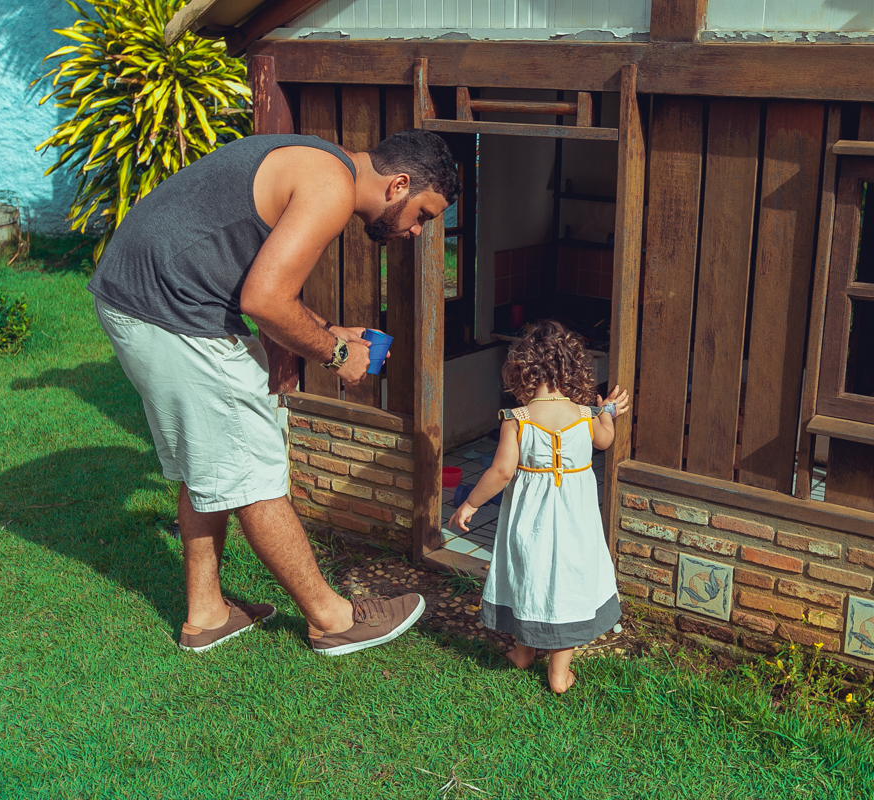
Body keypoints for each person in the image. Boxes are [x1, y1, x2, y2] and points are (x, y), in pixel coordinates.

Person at [87, 129, 461, 654]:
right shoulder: (330, 187)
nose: (419, 231)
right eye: (423, 213)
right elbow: (263, 300)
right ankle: (332, 621)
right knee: (252, 467)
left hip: (139, 296)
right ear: (399, 184)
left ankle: (207, 613)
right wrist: (336, 355)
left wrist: (331, 330)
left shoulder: (321, 162)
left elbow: (268, 290)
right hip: (170, 309)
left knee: (209, 460)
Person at [447, 321, 631, 693]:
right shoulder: (585, 416)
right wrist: (607, 409)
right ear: (573, 369)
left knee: (527, 577)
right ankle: (559, 674)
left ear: (524, 369)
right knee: (568, 584)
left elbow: (500, 472)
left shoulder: (518, 419)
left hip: (530, 522)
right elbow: (606, 440)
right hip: (577, 524)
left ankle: (524, 653)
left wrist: (469, 504)